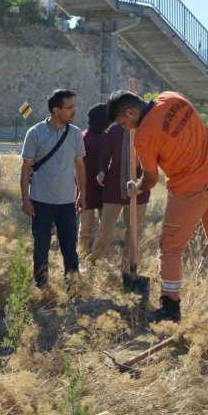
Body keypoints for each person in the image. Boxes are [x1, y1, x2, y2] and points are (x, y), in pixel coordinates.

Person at [107, 90, 208, 323]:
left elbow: (150, 180)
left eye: (124, 122)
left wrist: (135, 187)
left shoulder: (143, 136)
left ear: (131, 111)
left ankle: (170, 307)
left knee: (170, 247)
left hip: (191, 189)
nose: (126, 128)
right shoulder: (173, 98)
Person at [20, 89, 86, 289]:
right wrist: (26, 199)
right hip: (40, 201)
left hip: (67, 202)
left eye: (74, 106)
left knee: (69, 247)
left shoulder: (75, 133)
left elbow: (80, 165)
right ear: (56, 110)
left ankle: (73, 288)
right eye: (70, 107)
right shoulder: (35, 133)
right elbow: (25, 169)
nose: (74, 111)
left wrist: (82, 193)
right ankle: (41, 286)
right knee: (41, 247)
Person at [88, 119, 151, 269]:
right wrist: (102, 171)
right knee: (105, 228)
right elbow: (105, 155)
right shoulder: (115, 130)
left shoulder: (147, 129)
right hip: (114, 187)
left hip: (139, 189)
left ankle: (128, 268)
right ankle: (93, 262)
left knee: (134, 231)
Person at [78, 104, 107, 257]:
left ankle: (97, 256)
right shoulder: (84, 138)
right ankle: (82, 257)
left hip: (103, 190)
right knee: (86, 229)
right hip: (87, 190)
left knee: (104, 228)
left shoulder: (105, 136)